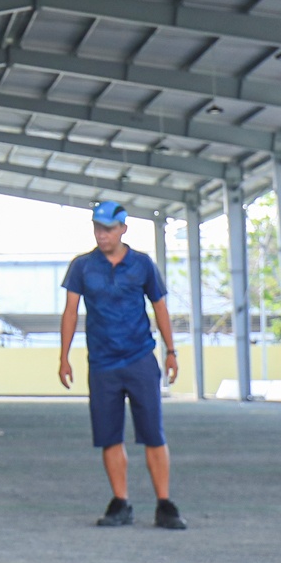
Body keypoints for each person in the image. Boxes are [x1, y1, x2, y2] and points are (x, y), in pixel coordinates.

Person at [58, 201, 186, 530]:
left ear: (123, 229)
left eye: (109, 229)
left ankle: (164, 503)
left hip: (140, 358)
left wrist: (171, 351)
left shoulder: (142, 264)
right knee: (109, 435)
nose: (102, 235)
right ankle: (121, 501)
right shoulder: (82, 267)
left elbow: (160, 307)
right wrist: (64, 357)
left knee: (153, 433)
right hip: (102, 364)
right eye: (97, 229)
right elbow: (71, 312)